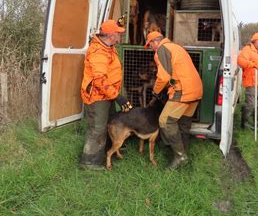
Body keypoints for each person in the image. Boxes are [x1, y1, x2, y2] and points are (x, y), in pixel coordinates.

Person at [144, 31, 203, 169]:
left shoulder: (162, 49)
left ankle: (180, 156)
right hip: (196, 89)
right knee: (183, 123)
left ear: (155, 42)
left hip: (183, 91)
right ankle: (183, 153)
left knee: (165, 121)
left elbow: (164, 77)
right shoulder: (176, 47)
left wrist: (156, 91)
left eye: (150, 45)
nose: (151, 48)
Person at [80, 20, 132, 170]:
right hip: (97, 97)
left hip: (108, 95)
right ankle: (90, 162)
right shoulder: (98, 52)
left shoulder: (109, 47)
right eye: (119, 33)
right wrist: (118, 97)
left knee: (110, 123)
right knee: (97, 128)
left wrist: (114, 94)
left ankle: (109, 151)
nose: (121, 36)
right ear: (111, 35)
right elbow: (99, 80)